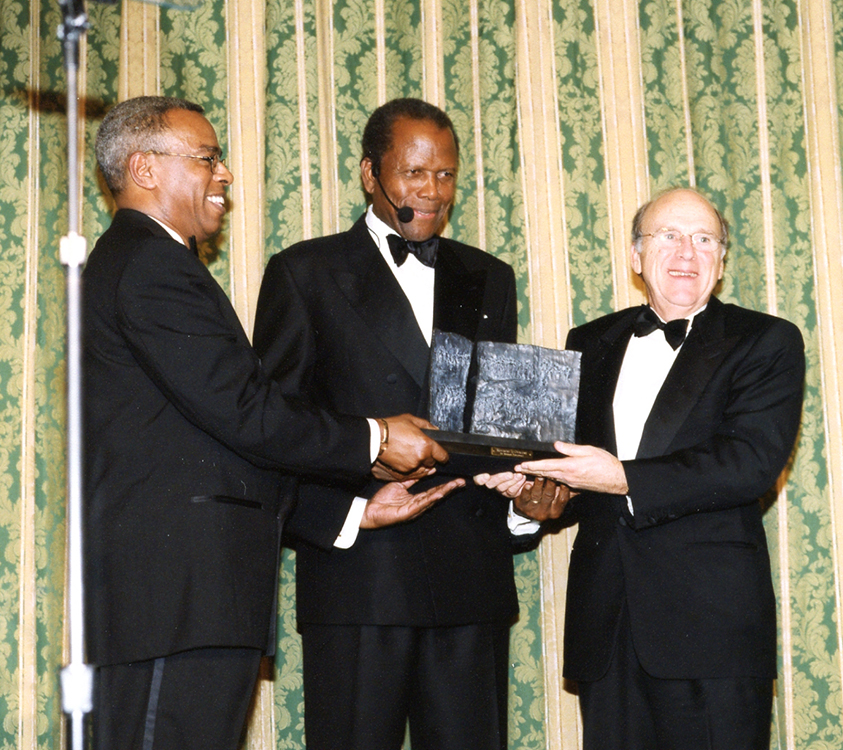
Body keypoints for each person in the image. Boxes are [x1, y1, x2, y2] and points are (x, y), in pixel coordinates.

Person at [83, 95, 460, 750]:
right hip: (175, 605)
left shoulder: (158, 264)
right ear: (145, 168)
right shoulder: (150, 267)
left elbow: (215, 440)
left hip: (187, 605)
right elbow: (246, 410)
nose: (224, 174)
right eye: (207, 158)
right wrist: (375, 435)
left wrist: (352, 513)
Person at [478, 187, 805, 750]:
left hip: (711, 633)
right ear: (635, 257)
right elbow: (571, 469)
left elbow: (750, 463)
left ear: (722, 261)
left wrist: (623, 478)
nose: (687, 251)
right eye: (669, 236)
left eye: (705, 239)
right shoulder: (589, 342)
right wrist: (530, 497)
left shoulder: (766, 340)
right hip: (606, 630)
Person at [252, 98, 520, 750]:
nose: (432, 191)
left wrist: (530, 493)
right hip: (359, 585)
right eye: (414, 173)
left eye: (447, 175)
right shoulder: (304, 272)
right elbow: (271, 426)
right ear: (371, 174)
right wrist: (343, 517)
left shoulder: (489, 277)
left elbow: (494, 427)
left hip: (472, 584)